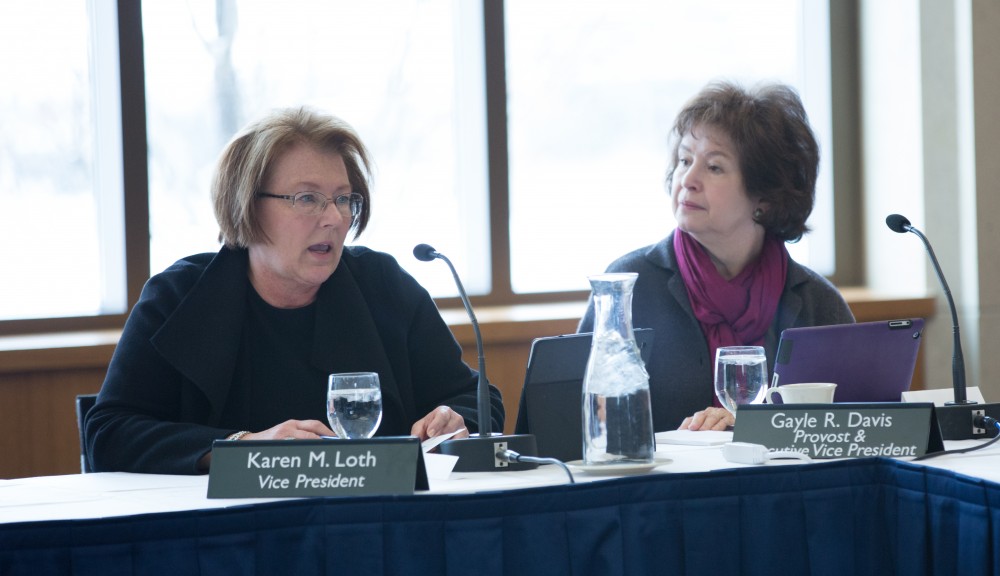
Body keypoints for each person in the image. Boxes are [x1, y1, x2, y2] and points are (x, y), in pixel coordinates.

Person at [85, 106, 502, 474]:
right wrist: (242, 448)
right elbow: (109, 432)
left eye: (344, 199)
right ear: (245, 203)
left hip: (373, 523)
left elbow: (475, 399)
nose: (334, 218)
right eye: (307, 198)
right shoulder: (178, 299)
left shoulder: (384, 287)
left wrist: (453, 418)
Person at [578, 80, 854, 433]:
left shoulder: (817, 303)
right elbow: (579, 425)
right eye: (684, 160)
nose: (688, 179)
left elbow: (851, 430)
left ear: (764, 197)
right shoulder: (629, 288)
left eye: (714, 167)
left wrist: (753, 426)